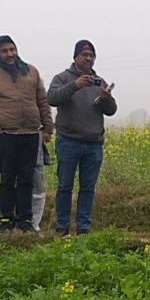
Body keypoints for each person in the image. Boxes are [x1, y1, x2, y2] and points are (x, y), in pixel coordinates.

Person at [0, 35, 53, 234]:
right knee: (8, 178)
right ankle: (7, 219)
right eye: (4, 51)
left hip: (31, 134)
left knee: (27, 179)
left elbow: (42, 100)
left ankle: (25, 220)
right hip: (6, 135)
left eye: (12, 49)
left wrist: (48, 127)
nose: (10, 54)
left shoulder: (30, 71)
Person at [47, 39, 116, 237]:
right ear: (75, 57)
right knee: (65, 186)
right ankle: (62, 227)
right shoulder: (62, 78)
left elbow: (111, 111)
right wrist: (75, 86)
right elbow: (51, 98)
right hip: (69, 141)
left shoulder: (99, 81)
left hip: (94, 144)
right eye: (84, 55)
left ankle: (84, 228)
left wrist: (106, 99)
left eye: (91, 55)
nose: (88, 59)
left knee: (88, 188)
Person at [0, 140, 47, 232]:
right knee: (34, 185)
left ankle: (29, 224)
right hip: (19, 137)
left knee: (34, 185)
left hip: (33, 134)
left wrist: (48, 129)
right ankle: (29, 225)